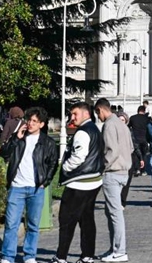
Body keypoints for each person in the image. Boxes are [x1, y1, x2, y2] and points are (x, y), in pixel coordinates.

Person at [0, 107, 58, 263]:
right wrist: (16, 138)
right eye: (29, 120)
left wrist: (45, 182)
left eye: (34, 121)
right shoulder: (19, 138)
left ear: (41, 124)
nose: (30, 124)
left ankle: (30, 255)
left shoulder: (48, 143)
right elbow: (4, 153)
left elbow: (53, 163)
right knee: (11, 224)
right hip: (17, 187)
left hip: (36, 188)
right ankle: (7, 256)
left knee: (33, 225)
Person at [53, 102, 105, 263]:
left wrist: (66, 167)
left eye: (75, 114)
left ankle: (61, 256)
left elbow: (79, 156)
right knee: (87, 219)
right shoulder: (94, 129)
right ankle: (87, 255)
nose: (72, 117)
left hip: (79, 182)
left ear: (86, 114)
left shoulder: (82, 132)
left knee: (67, 220)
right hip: (93, 180)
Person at [94, 99, 133, 263]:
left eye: (97, 113)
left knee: (115, 213)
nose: (98, 117)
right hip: (124, 170)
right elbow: (130, 147)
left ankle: (119, 250)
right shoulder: (122, 124)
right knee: (111, 212)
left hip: (113, 171)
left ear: (100, 110)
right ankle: (114, 248)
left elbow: (111, 150)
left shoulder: (109, 125)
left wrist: (103, 166)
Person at [127, 105, 150, 177]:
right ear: (144, 111)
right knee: (144, 154)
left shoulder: (133, 118)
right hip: (144, 138)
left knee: (136, 155)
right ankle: (143, 170)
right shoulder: (147, 119)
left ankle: (137, 169)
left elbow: (128, 126)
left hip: (135, 138)